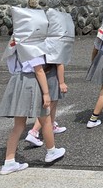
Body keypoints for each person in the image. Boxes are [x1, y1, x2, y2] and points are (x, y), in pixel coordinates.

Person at [0, 7, 65, 174]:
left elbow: (11, 66)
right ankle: (51, 151)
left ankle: (9, 160)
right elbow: (39, 70)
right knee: (45, 118)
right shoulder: (31, 45)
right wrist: (47, 93)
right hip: (31, 83)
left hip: (16, 82)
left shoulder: (15, 43)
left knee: (18, 125)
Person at [24, 8, 74, 147]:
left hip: (45, 74)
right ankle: (33, 132)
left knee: (53, 103)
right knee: (49, 106)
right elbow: (60, 64)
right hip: (52, 76)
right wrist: (62, 82)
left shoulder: (43, 39)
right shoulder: (55, 42)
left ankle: (51, 125)